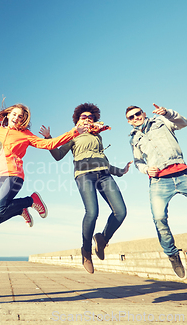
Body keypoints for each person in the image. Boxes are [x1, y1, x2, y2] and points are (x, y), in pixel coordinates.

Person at [126, 103, 187, 281]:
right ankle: (172, 255)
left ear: (143, 113)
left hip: (184, 174)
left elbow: (183, 123)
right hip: (159, 181)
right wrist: (146, 169)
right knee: (159, 218)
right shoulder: (133, 139)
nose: (135, 118)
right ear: (129, 122)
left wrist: (168, 113)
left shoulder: (162, 121)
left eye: (137, 114)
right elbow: (138, 162)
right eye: (131, 117)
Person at [39, 103, 131, 274]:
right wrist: (48, 138)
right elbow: (58, 156)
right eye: (84, 117)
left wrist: (120, 171)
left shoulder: (98, 137)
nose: (88, 119)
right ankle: (86, 252)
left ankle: (102, 238)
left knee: (121, 212)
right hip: (84, 175)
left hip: (104, 175)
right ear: (77, 120)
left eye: (91, 117)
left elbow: (103, 161)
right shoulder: (73, 136)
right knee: (92, 212)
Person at [0, 96, 83, 227]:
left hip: (13, 175)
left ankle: (31, 200)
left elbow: (49, 144)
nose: (16, 118)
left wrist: (73, 132)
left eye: (20, 116)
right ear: (8, 115)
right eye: (14, 114)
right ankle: (20, 210)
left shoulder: (25, 135)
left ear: (23, 120)